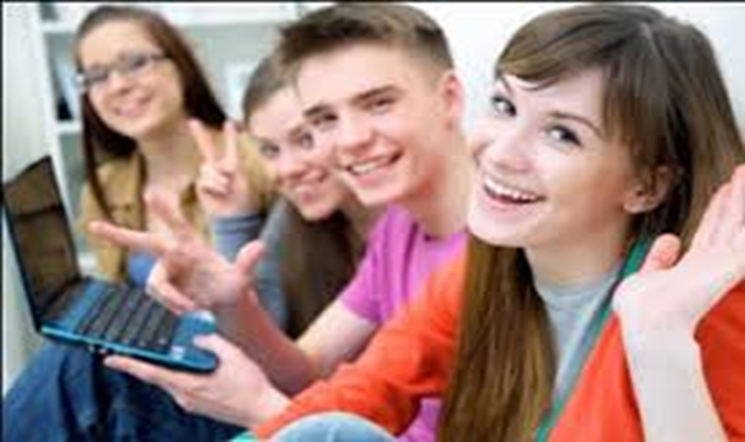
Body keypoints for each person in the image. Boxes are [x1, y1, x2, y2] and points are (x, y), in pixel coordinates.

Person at [235, 4, 744, 441]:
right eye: (505, 106)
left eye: (562, 135)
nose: (501, 152)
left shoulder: (701, 307)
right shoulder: (482, 272)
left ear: (646, 186)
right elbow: (365, 389)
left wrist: (660, 341)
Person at [3, 4, 471, 441]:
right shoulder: (399, 229)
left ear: (449, 98)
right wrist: (232, 301)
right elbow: (309, 369)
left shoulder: (493, 257)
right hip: (319, 421)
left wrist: (260, 409)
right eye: (325, 119)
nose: (349, 138)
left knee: (84, 375)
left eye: (379, 103)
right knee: (89, 368)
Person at [73, 5, 274, 287]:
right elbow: (118, 296)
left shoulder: (260, 160)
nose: (117, 85)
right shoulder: (102, 189)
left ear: (181, 65)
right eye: (97, 77)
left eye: (136, 63)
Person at [194, 52, 382, 336]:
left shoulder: (413, 225)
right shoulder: (291, 219)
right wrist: (233, 221)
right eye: (270, 150)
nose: (288, 168)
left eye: (306, 139)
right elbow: (255, 339)